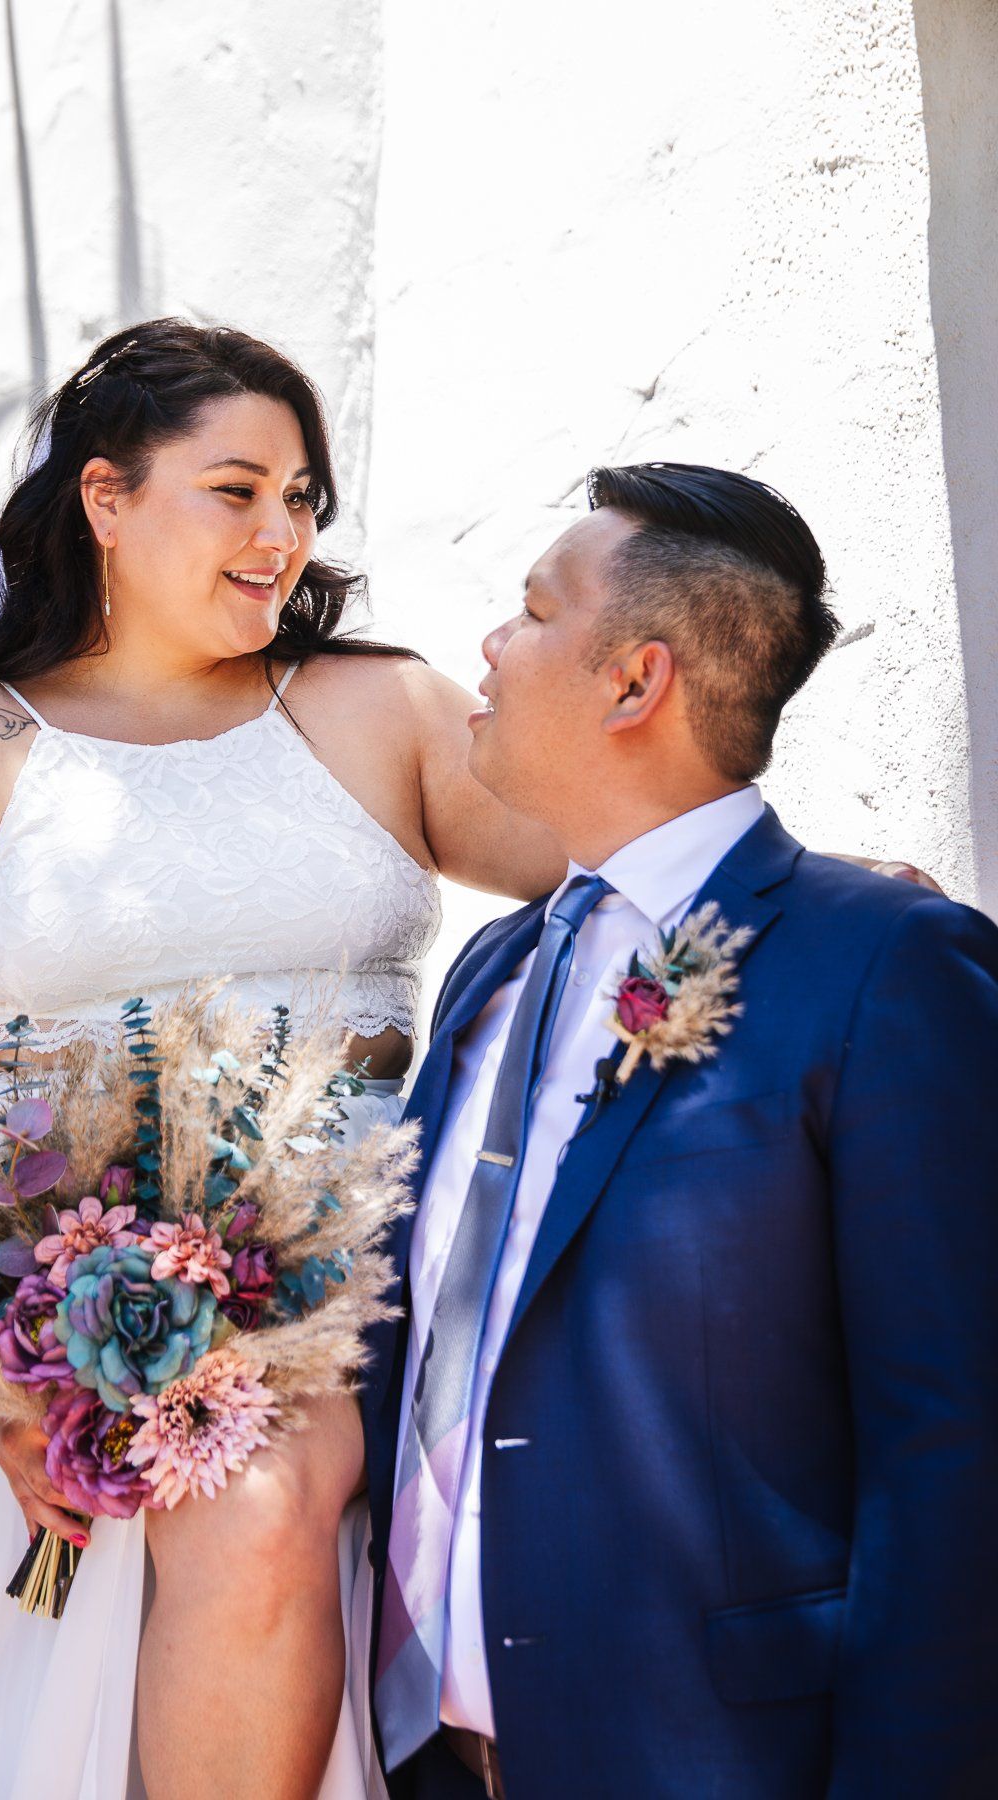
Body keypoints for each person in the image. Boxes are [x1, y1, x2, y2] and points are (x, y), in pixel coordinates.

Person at [0, 319, 567, 1800]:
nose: (281, 533)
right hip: (18, 1285)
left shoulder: (377, 706)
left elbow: (604, 849)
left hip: (324, 1279)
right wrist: (6, 1351)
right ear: (105, 496)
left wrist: (812, 880)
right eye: (237, 489)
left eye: (303, 498)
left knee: (263, 1512)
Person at [363, 462, 998, 1799]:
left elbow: (954, 1448)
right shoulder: (489, 969)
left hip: (708, 1752)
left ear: (633, 682)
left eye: (531, 611)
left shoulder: (882, 966)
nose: (489, 642)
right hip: (417, 1750)